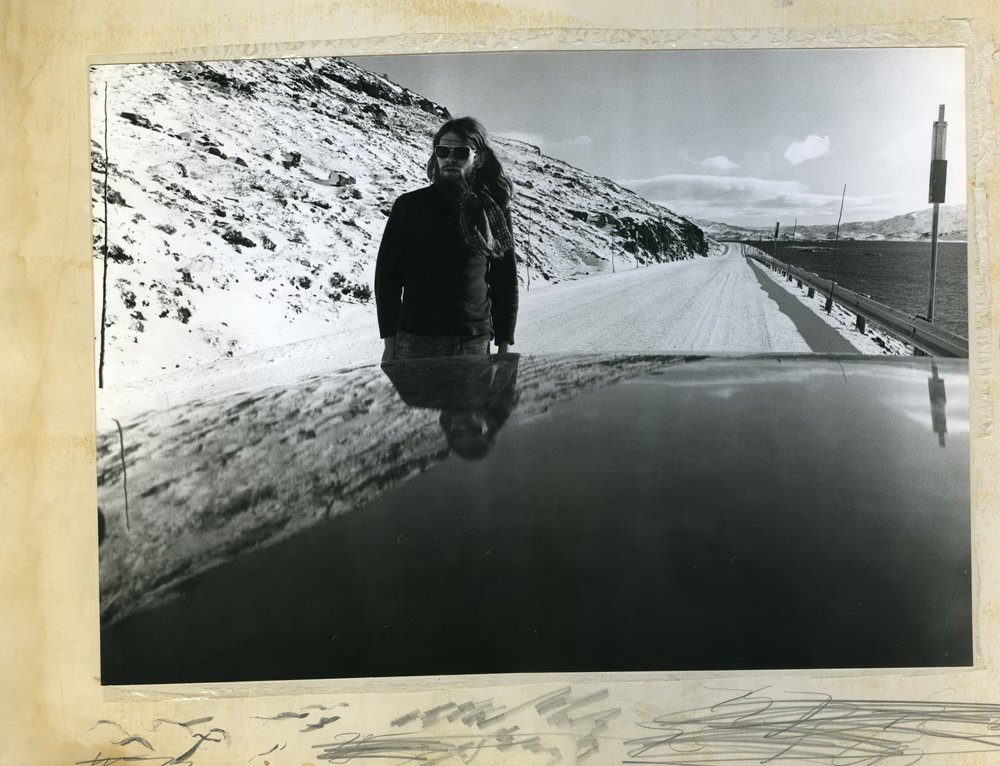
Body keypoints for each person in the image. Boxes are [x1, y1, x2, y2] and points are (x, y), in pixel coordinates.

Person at [374, 117, 518, 361]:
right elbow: (387, 278)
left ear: (478, 158)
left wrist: (504, 342)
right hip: (415, 341)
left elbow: (504, 279)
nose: (450, 158)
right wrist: (390, 342)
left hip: (472, 341)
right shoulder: (409, 206)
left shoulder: (491, 210)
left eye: (461, 152)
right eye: (443, 150)